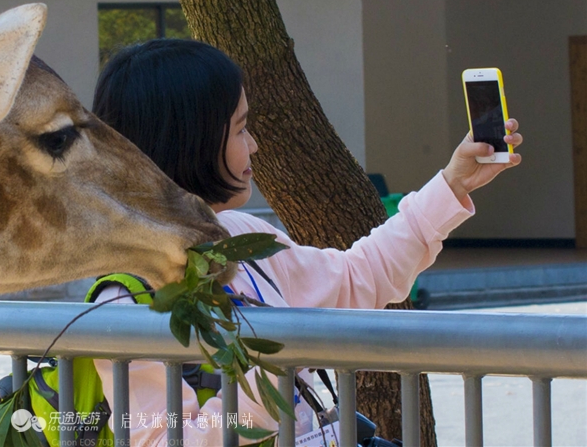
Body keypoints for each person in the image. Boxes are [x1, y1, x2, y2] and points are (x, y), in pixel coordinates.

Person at [90, 38, 523, 444]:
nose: (254, 145)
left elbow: (357, 277)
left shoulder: (242, 238)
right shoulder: (124, 302)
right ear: (189, 141)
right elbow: (162, 439)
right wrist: (275, 373)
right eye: (241, 129)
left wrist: (453, 184)